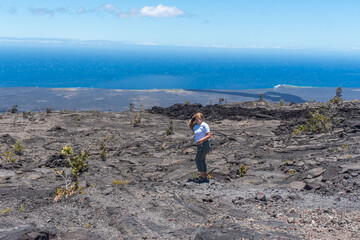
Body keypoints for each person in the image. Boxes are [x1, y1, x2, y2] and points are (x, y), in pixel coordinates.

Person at [188, 112, 211, 183]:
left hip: (204, 144)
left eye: (200, 118)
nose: (198, 119)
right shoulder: (196, 126)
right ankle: (204, 177)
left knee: (198, 160)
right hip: (199, 145)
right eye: (197, 118)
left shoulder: (204, 125)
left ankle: (202, 177)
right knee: (202, 160)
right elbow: (194, 130)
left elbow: (209, 135)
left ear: (202, 118)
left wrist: (201, 140)